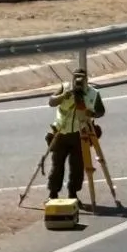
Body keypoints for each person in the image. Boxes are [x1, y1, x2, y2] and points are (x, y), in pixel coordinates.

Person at [47, 68, 106, 201]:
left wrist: (92, 113)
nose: (78, 81)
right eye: (76, 77)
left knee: (77, 167)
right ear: (72, 78)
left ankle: (73, 193)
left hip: (80, 135)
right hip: (61, 133)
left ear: (86, 79)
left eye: (81, 78)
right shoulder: (65, 87)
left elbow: (101, 111)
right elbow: (51, 101)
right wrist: (63, 96)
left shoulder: (93, 93)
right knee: (57, 165)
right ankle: (53, 193)